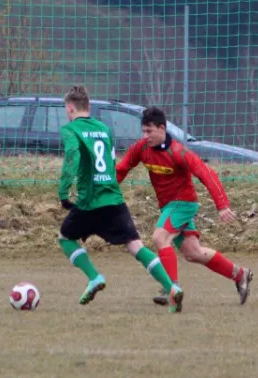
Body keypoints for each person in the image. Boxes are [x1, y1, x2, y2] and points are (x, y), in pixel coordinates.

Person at [57, 85, 184, 313]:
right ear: (89, 106)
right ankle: (171, 287)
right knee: (135, 245)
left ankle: (94, 277)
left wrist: (64, 193)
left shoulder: (71, 129)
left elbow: (73, 157)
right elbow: (110, 161)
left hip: (89, 200)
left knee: (65, 237)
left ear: (70, 108)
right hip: (113, 197)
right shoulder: (104, 129)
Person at [115, 106, 253, 306]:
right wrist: (105, 191)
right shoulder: (141, 149)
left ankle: (171, 288)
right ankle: (240, 275)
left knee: (159, 237)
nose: (145, 136)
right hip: (169, 207)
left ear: (162, 128)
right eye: (143, 131)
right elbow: (121, 169)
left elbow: (206, 174)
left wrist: (222, 205)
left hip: (183, 203)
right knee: (193, 253)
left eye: (149, 131)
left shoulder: (179, 152)